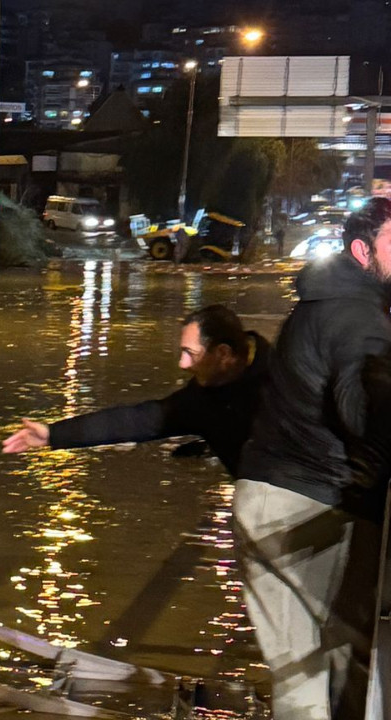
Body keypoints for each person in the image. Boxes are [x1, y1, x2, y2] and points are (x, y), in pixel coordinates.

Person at [236, 196, 391, 720]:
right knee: (339, 665)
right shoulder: (360, 318)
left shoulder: (317, 303)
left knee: (301, 672)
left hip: (264, 500)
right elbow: (361, 409)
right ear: (362, 251)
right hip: (314, 509)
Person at [2, 304, 270, 477]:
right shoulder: (204, 397)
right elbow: (139, 420)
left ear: (223, 353)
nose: (182, 364)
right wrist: (53, 434)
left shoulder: (286, 381)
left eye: (190, 353)